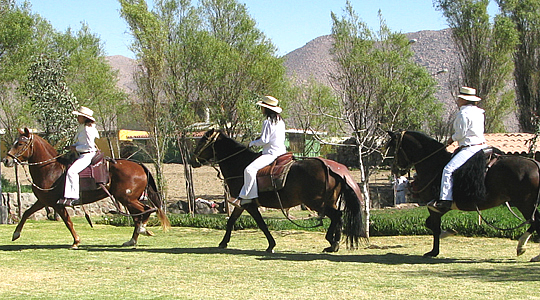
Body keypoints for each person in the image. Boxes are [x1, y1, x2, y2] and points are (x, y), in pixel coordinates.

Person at [427, 86, 487, 213]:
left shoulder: (463, 113)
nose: (458, 100)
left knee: (448, 170)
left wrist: (451, 139)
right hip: (482, 145)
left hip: (470, 148)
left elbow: (461, 134)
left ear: (464, 100)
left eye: (459, 98)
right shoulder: (479, 112)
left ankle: (445, 201)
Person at [228, 95, 286, 208]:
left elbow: (264, 140)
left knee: (249, 170)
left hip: (271, 153)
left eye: (262, 107)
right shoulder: (280, 121)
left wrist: (252, 143)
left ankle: (248, 198)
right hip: (282, 152)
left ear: (266, 108)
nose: (261, 109)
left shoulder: (268, 122)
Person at [57, 106, 100, 207]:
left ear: (84, 118)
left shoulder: (87, 130)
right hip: (82, 153)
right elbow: (81, 142)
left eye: (79, 116)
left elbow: (89, 146)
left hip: (87, 155)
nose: (77, 118)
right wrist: (73, 146)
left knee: (72, 172)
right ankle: (67, 196)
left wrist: (76, 149)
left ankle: (74, 196)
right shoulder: (82, 128)